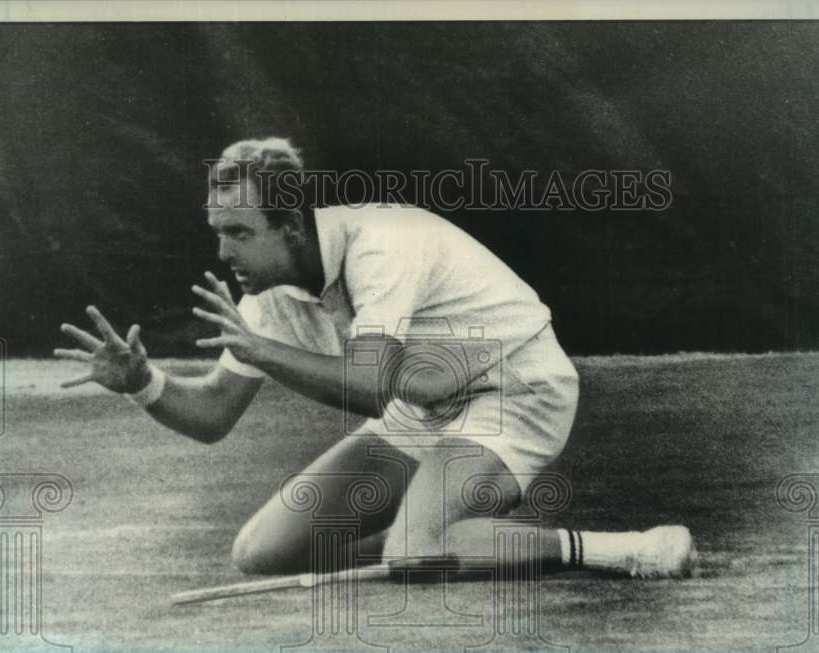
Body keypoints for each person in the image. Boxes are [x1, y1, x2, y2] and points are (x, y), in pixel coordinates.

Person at [55, 137, 697, 579]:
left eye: (240, 233)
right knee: (263, 552)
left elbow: (370, 391)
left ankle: (625, 549)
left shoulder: (382, 244)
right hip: (423, 410)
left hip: (513, 394)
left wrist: (265, 353)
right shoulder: (266, 291)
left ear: (294, 228)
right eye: (218, 231)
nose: (224, 251)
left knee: (418, 553)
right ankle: (451, 534)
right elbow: (214, 413)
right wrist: (144, 382)